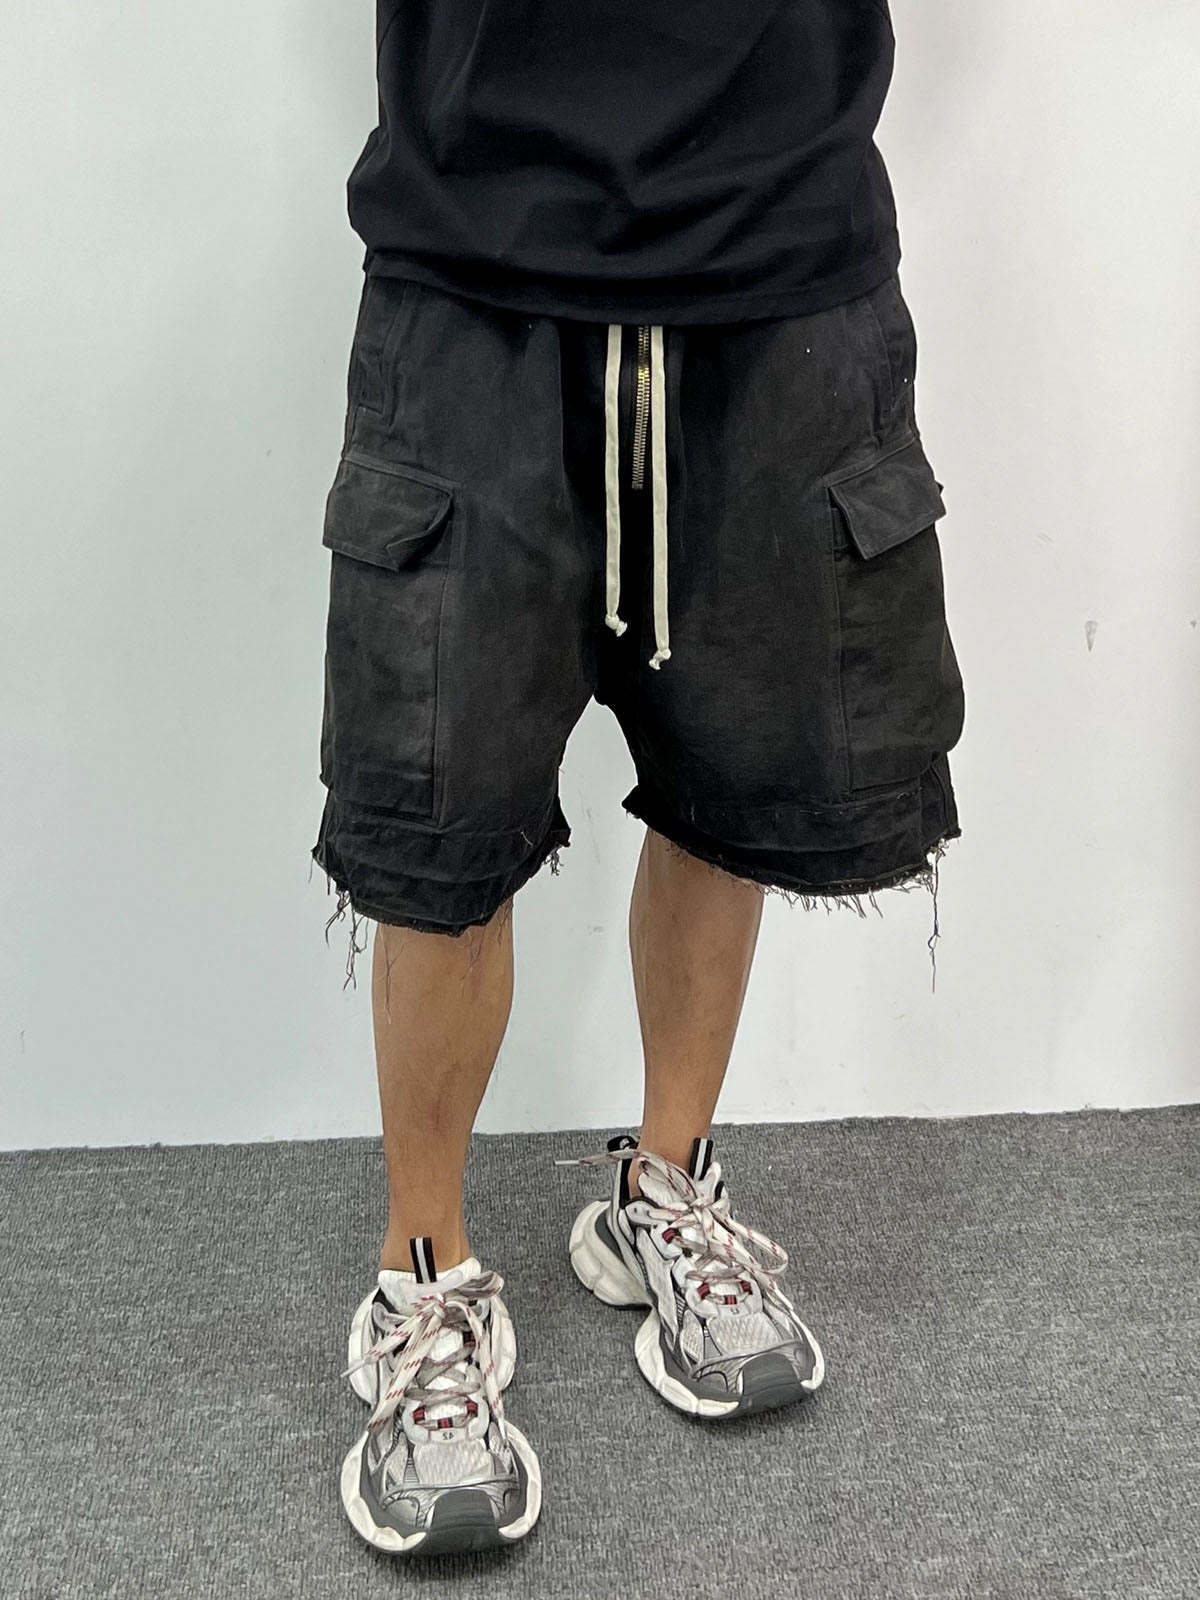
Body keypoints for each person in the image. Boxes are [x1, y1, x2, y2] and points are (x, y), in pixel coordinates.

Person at [316, 0, 965, 1557]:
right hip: (476, 253)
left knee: (740, 773)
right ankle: (424, 1278)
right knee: (441, 817)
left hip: (781, 243)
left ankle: (663, 1189)